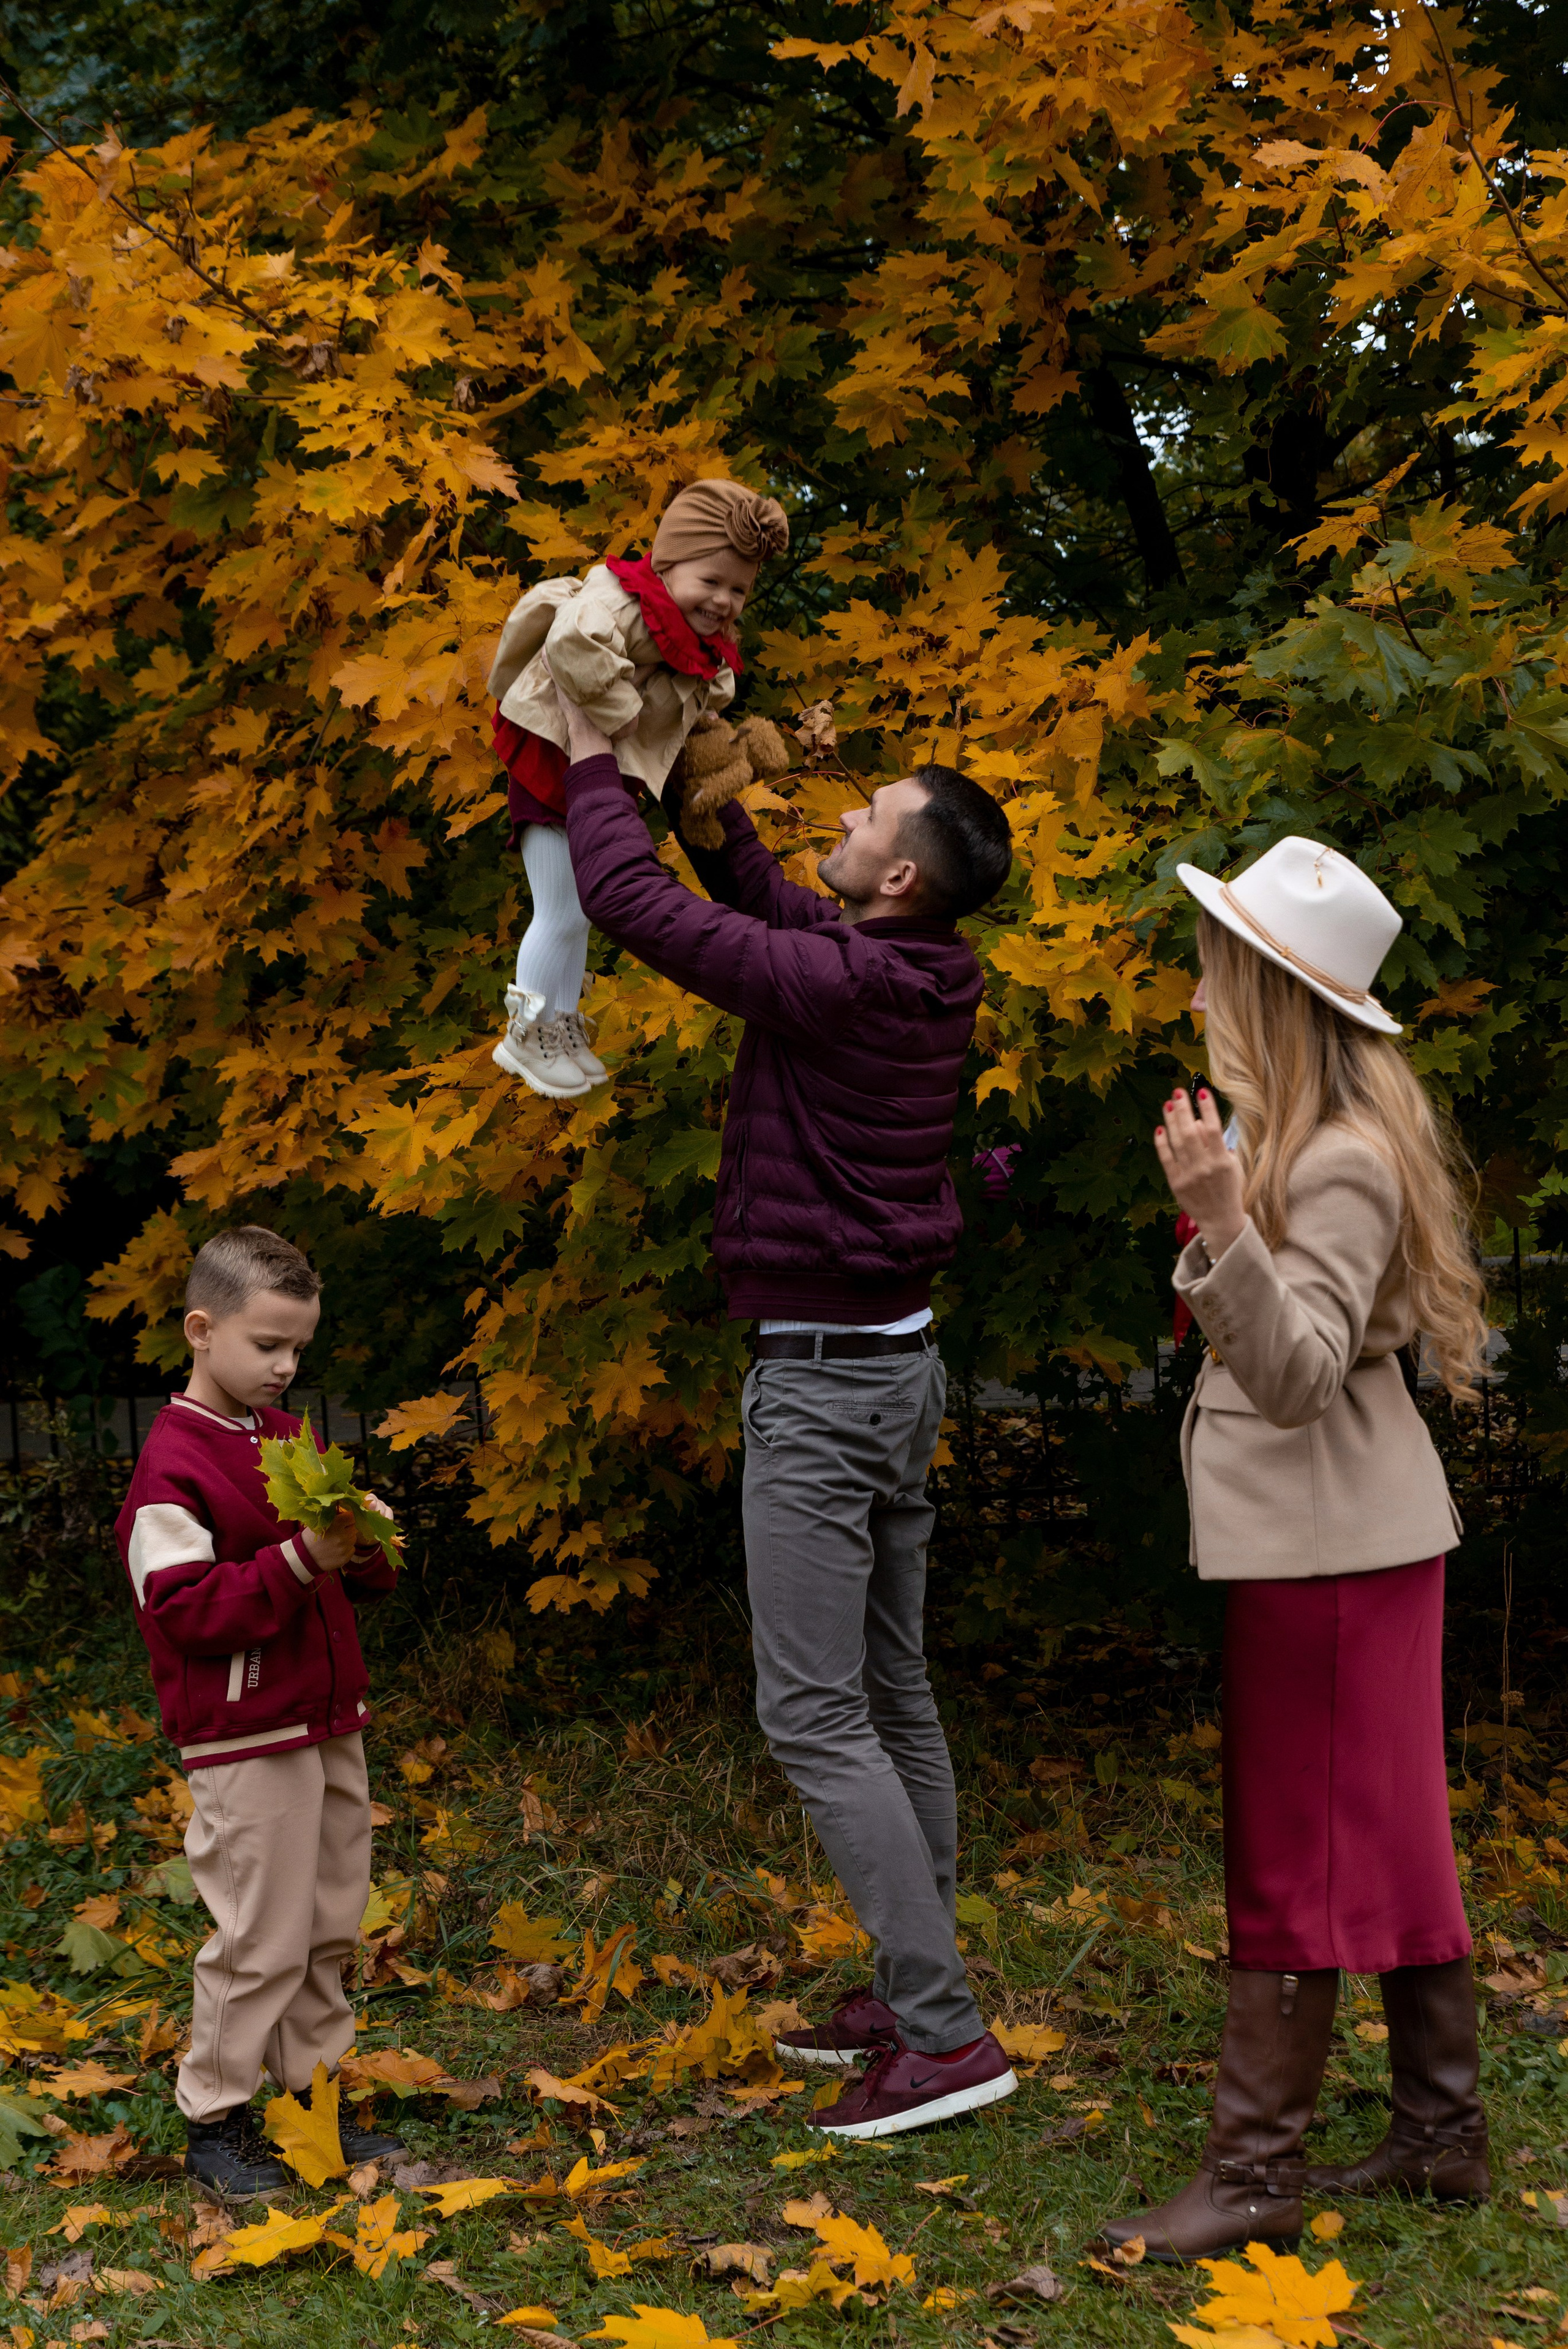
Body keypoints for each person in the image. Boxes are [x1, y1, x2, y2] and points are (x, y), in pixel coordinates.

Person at [554, 682, 1018, 2138]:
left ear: (895, 876)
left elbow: (637, 904)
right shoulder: (910, 964)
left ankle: (940, 2033)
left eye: (865, 814)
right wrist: (705, 783)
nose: (844, 811)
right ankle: (909, 1984)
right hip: (890, 1366)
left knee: (813, 1709)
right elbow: (750, 890)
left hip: (824, 1388)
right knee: (889, 1688)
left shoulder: (844, 980)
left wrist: (583, 758)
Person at [1098, 834, 1490, 2263]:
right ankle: (1440, 2128)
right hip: (1344, 1536)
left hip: (1328, 1550)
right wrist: (1222, 1211)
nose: (1200, 995)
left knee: (1292, 1848)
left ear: (1268, 990)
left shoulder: (1330, 1162)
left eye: (1218, 972)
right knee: (1383, 1829)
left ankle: (1254, 2171)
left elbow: (1300, 1372)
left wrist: (1214, 1221)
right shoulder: (1305, 1139)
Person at [114, 1225, 405, 2199]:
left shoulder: (287, 1439)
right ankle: (216, 2117)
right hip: (245, 1736)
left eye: (298, 1349)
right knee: (259, 1932)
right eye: (267, 1345)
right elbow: (184, 1609)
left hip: (328, 1718)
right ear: (203, 1329)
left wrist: (360, 1540)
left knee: (328, 1920)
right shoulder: (172, 1465)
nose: (285, 1366)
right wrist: (297, 1561)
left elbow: (350, 1578)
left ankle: (310, 2098)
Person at [486, 477, 791, 1098]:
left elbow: (702, 684)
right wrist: (618, 701)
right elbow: (572, 640)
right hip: (550, 755)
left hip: (594, 771)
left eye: (739, 589)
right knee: (564, 909)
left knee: (585, 910)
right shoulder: (618, 603)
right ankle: (528, 1033)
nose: (725, 600)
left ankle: (561, 1024)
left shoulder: (691, 630)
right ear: (667, 562)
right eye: (711, 582)